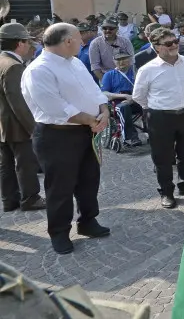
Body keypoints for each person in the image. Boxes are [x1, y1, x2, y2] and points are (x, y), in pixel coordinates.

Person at [21, 23, 111, 254]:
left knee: (89, 180)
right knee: (60, 187)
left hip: (86, 131)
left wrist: (104, 110)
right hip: (56, 136)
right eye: (79, 38)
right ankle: (59, 233)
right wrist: (91, 120)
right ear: (67, 41)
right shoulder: (39, 69)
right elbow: (56, 108)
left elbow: (94, 89)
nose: (83, 42)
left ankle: (88, 222)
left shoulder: (76, 62)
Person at [132, 28, 184, 209]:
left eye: (175, 41)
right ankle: (166, 192)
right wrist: (157, 107)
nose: (174, 46)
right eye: (168, 44)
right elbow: (139, 96)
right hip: (160, 117)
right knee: (163, 158)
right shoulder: (147, 69)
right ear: (156, 47)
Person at [0, 23, 44, 212]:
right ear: (19, 44)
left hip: (3, 124)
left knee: (6, 164)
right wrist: (33, 129)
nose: (28, 46)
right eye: (27, 42)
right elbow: (18, 103)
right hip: (16, 125)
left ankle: (9, 200)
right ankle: (30, 198)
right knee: (25, 163)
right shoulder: (14, 67)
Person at [100, 52, 142, 147]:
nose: (121, 62)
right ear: (114, 61)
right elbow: (104, 93)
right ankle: (130, 138)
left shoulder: (137, 72)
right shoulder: (109, 75)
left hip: (136, 100)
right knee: (124, 107)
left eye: (124, 58)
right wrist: (124, 96)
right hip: (117, 103)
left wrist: (133, 99)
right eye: (118, 60)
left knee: (151, 105)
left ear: (130, 60)